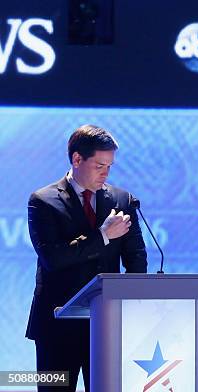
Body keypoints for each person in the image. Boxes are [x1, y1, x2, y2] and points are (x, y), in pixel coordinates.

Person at [26, 125, 147, 392]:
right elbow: (53, 258)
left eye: (110, 166)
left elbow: (136, 259)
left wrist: (132, 307)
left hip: (106, 326)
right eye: (100, 165)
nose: (106, 173)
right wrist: (103, 235)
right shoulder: (43, 201)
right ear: (77, 159)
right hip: (56, 327)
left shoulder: (121, 199)